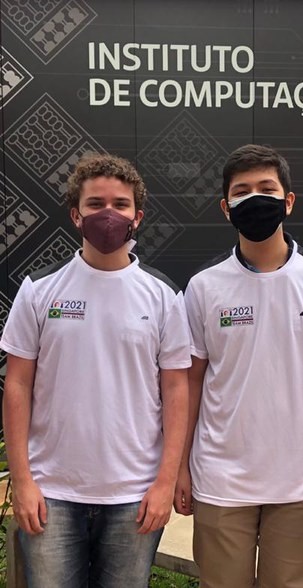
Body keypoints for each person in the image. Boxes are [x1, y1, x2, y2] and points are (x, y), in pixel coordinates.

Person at [1, 153, 191, 587]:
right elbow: (17, 384)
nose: (109, 214)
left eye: (121, 205)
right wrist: (23, 481)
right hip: (52, 492)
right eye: (95, 204)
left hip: (134, 495)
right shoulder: (40, 290)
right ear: (75, 214)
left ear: (137, 217)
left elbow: (177, 390)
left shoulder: (163, 296)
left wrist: (165, 481)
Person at [177, 144, 303, 588]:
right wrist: (180, 467)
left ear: (288, 201)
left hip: (301, 482)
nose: (255, 198)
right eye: (242, 191)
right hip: (220, 480)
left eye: (266, 189)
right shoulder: (202, 287)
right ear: (225, 207)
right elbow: (190, 382)